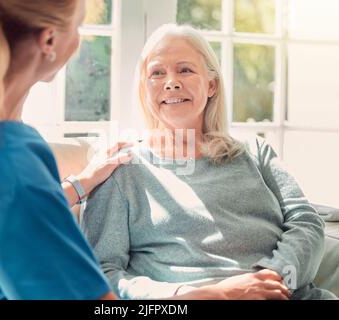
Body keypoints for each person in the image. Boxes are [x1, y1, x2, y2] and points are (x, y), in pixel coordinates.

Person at [81, 24, 337, 300]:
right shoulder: (120, 168)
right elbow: (101, 272)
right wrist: (201, 295)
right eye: (157, 73)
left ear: (212, 85)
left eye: (185, 70)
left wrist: (273, 279)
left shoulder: (254, 151)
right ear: (145, 89)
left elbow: (306, 221)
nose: (171, 82)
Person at [0, 0, 132, 299]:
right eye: (78, 27)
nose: (79, 40)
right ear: (49, 40)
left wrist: (82, 183)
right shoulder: (9, 160)